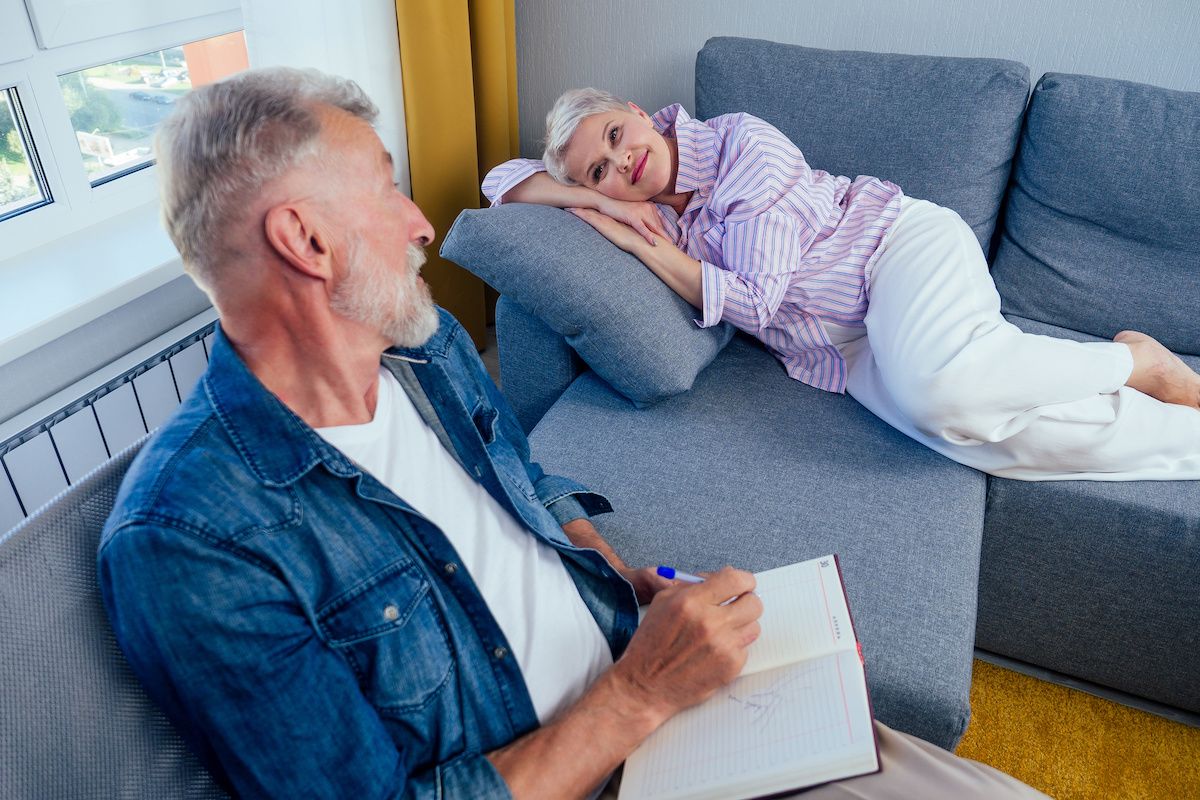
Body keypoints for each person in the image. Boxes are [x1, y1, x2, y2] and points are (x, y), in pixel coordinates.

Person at [98, 67, 1045, 799]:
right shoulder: (191, 542)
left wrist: (616, 573)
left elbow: (529, 486)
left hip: (660, 696)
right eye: (388, 193)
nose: (423, 223)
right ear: (305, 242)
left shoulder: (427, 352)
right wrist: (639, 695)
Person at [482, 89, 1200, 481]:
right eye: (597, 171)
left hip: (894, 250)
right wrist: (608, 207)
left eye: (614, 136)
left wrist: (633, 236)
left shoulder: (740, 144)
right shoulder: (655, 213)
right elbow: (501, 183)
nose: (620, 162)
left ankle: (1138, 362)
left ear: (639, 113)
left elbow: (755, 299)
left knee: (945, 393)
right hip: (840, 347)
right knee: (983, 434)